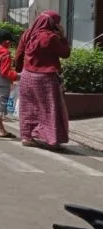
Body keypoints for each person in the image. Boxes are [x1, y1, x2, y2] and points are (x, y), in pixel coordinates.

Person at [15, 10, 71, 151]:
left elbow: (19, 54)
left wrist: (18, 71)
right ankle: (52, 140)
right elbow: (65, 53)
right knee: (49, 109)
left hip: (27, 76)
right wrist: (63, 37)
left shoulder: (28, 34)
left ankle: (27, 137)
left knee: (28, 108)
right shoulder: (50, 37)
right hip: (46, 78)